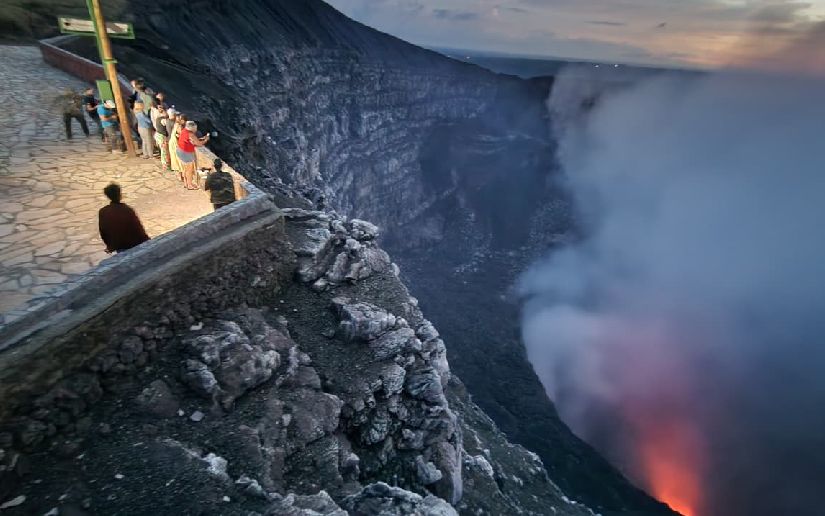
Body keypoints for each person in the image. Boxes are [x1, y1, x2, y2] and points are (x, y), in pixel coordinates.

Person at [98, 183, 150, 253]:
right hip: (133, 244)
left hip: (119, 246)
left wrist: (110, 246)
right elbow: (138, 228)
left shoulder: (103, 212)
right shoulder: (127, 210)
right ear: (120, 195)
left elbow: (103, 231)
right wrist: (147, 240)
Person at [177, 120, 210, 190]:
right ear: (192, 128)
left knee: (185, 169)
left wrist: (199, 139)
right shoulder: (191, 134)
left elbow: (192, 141)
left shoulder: (184, 131)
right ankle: (190, 185)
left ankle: (186, 183)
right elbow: (199, 144)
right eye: (195, 128)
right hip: (186, 153)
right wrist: (206, 139)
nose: (196, 130)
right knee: (189, 170)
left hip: (180, 150)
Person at [168, 113, 185, 177]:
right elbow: (181, 136)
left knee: (175, 159)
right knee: (179, 159)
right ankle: (181, 175)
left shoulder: (175, 124)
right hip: (175, 144)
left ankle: (179, 175)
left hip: (172, 143)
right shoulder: (178, 126)